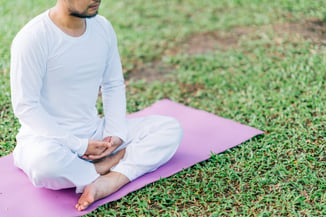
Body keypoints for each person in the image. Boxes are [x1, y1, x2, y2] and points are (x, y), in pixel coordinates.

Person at [10, 0, 183, 211]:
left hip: (94, 133)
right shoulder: (33, 38)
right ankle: (109, 165)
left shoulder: (102, 28)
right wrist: (78, 145)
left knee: (169, 129)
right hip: (47, 140)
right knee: (44, 167)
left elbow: (113, 84)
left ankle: (113, 179)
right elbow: (25, 106)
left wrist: (115, 132)